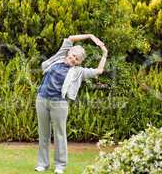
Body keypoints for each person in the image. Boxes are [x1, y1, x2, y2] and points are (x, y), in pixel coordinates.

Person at [34, 34, 108, 174]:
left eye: (77, 58)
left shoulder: (78, 72)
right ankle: (42, 164)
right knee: (43, 134)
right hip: (42, 99)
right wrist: (91, 36)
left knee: (59, 134)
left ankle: (60, 166)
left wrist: (104, 53)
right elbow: (71, 39)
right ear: (69, 52)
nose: (73, 58)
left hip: (59, 104)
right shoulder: (60, 57)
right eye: (73, 55)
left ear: (79, 62)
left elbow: (98, 71)